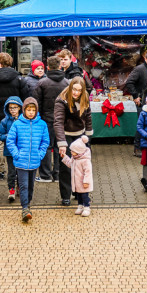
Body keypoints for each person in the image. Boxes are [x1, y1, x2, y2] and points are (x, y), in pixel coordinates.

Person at [5, 97, 48, 222]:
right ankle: (24, 208)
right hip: (21, 161)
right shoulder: (17, 124)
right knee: (23, 185)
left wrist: (40, 154)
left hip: (34, 161)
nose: (31, 112)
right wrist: (16, 154)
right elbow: (10, 141)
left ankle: (28, 204)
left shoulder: (42, 124)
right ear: (24, 110)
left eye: (33, 110)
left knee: (30, 186)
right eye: (29, 110)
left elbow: (45, 141)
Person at [0, 52, 26, 182]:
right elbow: (26, 97)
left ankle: (1, 171)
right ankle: (16, 169)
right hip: (16, 117)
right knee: (17, 142)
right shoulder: (19, 79)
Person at [53, 76, 94, 206]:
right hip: (66, 135)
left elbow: (88, 117)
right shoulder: (61, 100)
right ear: (70, 88)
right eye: (74, 89)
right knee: (66, 167)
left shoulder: (85, 98)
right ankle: (66, 195)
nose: (76, 93)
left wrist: (88, 136)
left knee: (81, 165)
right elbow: (58, 122)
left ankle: (79, 192)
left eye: (79, 90)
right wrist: (62, 143)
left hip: (80, 135)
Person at [34, 56, 69, 183]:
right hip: (62, 120)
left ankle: (45, 175)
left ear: (47, 67)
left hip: (46, 120)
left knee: (46, 146)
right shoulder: (67, 83)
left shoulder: (42, 83)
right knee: (61, 146)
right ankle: (58, 175)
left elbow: (37, 103)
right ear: (60, 66)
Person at [124, 51, 147, 156]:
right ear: (145, 59)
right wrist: (135, 96)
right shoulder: (139, 69)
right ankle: (137, 148)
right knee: (142, 124)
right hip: (142, 102)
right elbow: (129, 82)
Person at [0, 96, 23, 203]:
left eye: (15, 107)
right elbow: (0, 135)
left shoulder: (24, 120)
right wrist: (8, 136)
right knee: (11, 172)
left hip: (21, 151)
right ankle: (11, 190)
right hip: (10, 152)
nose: (13, 110)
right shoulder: (5, 121)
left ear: (20, 108)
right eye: (10, 108)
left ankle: (20, 188)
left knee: (20, 172)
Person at [62, 134, 94, 216]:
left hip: (83, 183)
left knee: (84, 196)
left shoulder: (85, 161)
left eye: (73, 151)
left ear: (79, 151)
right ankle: (80, 206)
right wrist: (65, 157)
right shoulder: (74, 158)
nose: (71, 152)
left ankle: (86, 207)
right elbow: (70, 164)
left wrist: (86, 182)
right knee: (79, 195)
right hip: (77, 182)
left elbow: (88, 172)